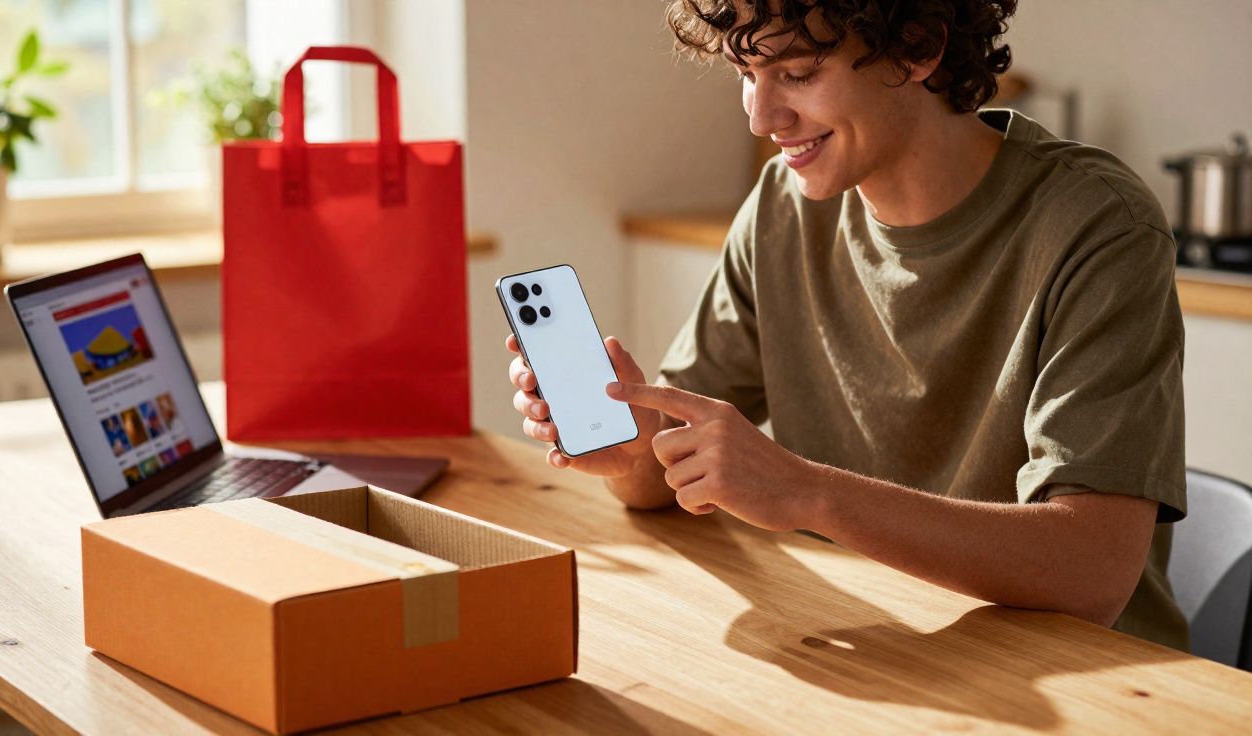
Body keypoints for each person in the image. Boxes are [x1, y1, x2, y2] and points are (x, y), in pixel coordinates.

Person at [505, 0, 1188, 650]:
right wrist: (635, 452)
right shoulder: (783, 207)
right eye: (746, 73)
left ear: (918, 47)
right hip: (880, 646)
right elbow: (669, 476)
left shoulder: (1097, 226)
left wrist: (806, 491)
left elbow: (1091, 572)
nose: (761, 117)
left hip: (1092, 680)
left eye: (798, 72)